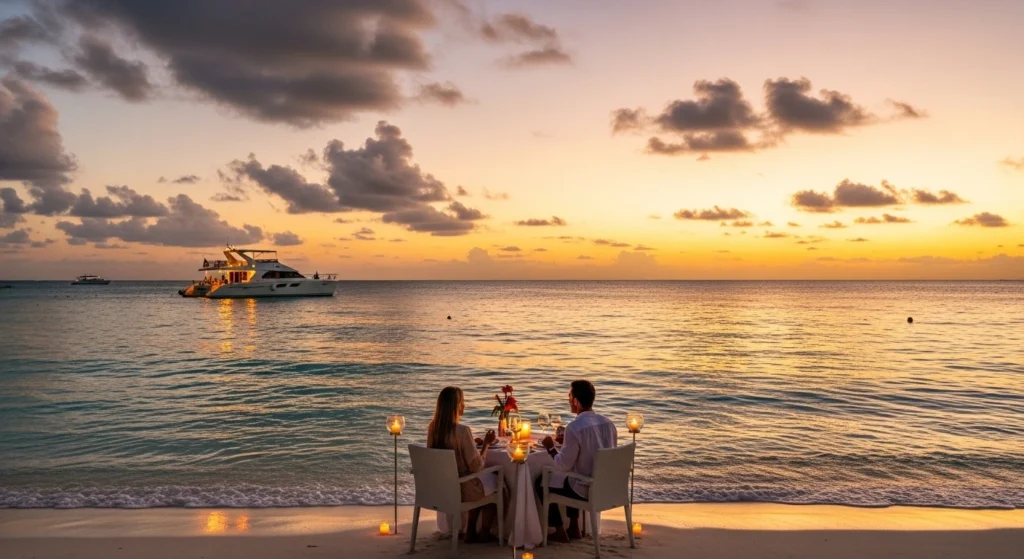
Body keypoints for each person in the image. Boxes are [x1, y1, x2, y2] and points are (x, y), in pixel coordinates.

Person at [537, 380, 617, 543]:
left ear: (575, 401)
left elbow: (563, 465)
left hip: (586, 489)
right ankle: (574, 527)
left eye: (569, 396)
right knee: (571, 476)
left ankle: (559, 530)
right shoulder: (609, 423)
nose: (568, 400)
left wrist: (550, 447)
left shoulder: (575, 427)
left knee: (541, 481)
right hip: (608, 487)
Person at [427, 387, 499, 543]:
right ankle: (483, 532)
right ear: (457, 406)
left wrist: (472, 443)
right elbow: (477, 467)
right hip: (461, 489)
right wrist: (486, 444)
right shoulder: (462, 431)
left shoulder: (433, 428)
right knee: (499, 482)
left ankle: (471, 530)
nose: (464, 405)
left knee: (482, 481)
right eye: (463, 402)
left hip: (441, 488)